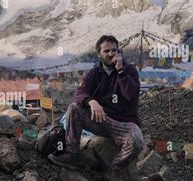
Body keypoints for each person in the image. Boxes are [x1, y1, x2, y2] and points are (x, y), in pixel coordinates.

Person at [48, 35, 144, 172]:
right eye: (106, 51)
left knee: (137, 141)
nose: (111, 54)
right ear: (99, 54)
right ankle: (71, 155)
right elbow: (79, 93)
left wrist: (120, 71)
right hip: (101, 119)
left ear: (118, 52)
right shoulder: (93, 74)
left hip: (124, 123)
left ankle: (113, 169)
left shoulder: (129, 70)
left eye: (114, 50)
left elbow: (131, 95)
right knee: (74, 108)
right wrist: (91, 101)